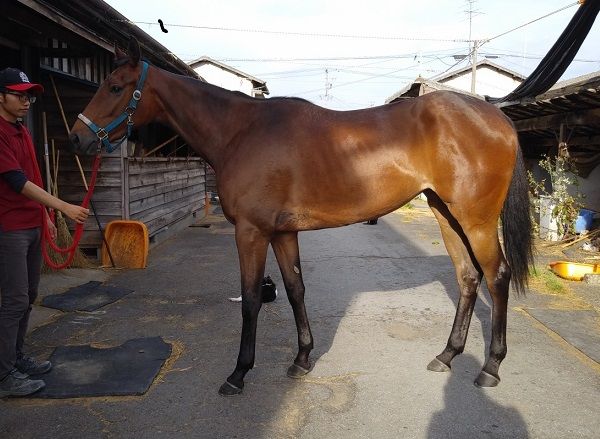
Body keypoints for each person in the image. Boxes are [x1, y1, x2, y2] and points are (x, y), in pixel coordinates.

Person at [0, 67, 89, 398]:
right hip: (9, 227)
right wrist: (64, 207)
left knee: (29, 297)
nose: (26, 102)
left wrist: (46, 214)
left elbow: (33, 176)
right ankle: (4, 373)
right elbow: (17, 182)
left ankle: (15, 357)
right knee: (14, 300)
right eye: (19, 95)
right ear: (0, 96)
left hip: (32, 224)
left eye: (29, 96)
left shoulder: (21, 130)